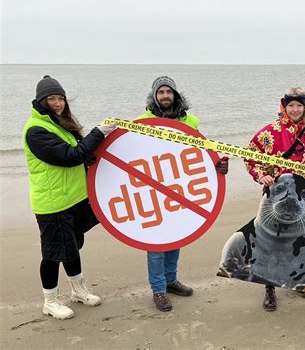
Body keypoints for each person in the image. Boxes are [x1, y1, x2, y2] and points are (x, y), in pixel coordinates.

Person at [23, 75, 117, 319]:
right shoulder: (36, 130)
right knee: (53, 253)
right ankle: (50, 301)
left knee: (72, 246)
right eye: (51, 99)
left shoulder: (60, 123)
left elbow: (82, 155)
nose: (57, 103)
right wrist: (98, 132)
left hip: (74, 199)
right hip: (52, 203)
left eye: (60, 98)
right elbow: (70, 156)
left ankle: (78, 290)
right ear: (40, 101)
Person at [135, 76, 228, 312]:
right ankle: (158, 289)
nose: (165, 96)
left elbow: (202, 150)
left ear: (175, 95)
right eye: (161, 92)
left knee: (176, 236)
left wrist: (218, 164)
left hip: (180, 187)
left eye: (169, 92)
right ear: (154, 96)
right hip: (152, 188)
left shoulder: (190, 121)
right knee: (156, 241)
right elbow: (127, 152)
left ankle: (170, 280)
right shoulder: (141, 122)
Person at [245, 87, 305, 311]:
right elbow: (250, 155)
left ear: (304, 106)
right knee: (271, 242)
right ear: (284, 107)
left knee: (303, 239)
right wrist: (262, 175)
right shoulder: (270, 131)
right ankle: (269, 288)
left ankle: (300, 280)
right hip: (275, 197)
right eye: (291, 105)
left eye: (299, 105)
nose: (295, 110)